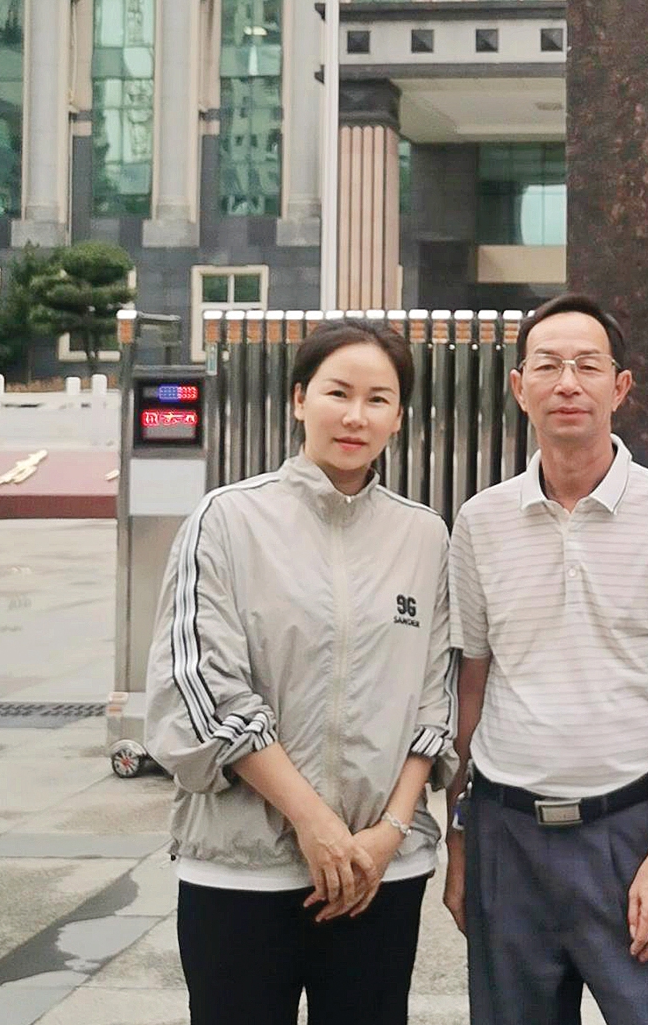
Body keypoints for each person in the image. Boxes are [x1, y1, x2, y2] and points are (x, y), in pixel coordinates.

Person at [145, 318, 457, 1025]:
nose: (355, 416)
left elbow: (434, 701)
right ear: (298, 399)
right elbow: (205, 691)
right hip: (242, 869)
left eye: (378, 399)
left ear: (399, 417)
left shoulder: (423, 536)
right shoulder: (227, 520)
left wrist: (387, 833)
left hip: (379, 873)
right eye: (337, 392)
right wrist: (314, 822)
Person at [442, 293, 648, 1025]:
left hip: (627, 832)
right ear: (520, 387)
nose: (566, 382)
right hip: (506, 834)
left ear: (620, 386)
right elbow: (470, 685)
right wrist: (459, 840)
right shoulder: (480, 521)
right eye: (546, 366)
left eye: (587, 366)